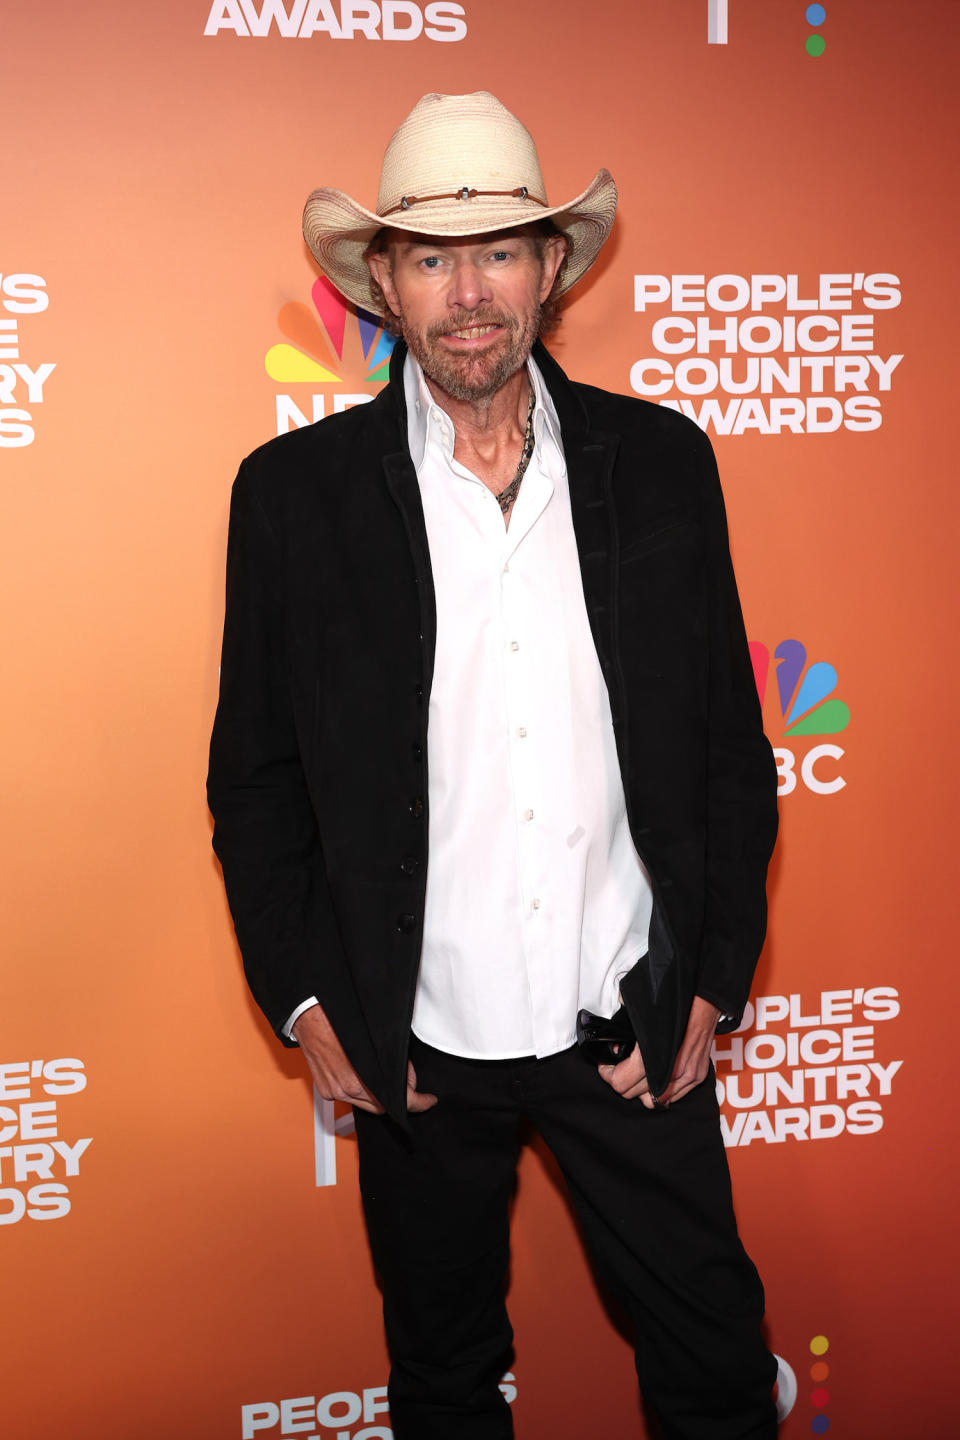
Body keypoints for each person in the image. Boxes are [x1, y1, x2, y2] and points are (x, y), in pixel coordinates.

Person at [208, 91, 779, 1439]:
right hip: (418, 1054)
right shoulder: (292, 500)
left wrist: (713, 985)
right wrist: (305, 1002)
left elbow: (724, 751)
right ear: (385, 284)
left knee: (715, 1374)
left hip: (628, 1023)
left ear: (553, 269)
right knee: (446, 1385)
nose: (470, 295)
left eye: (502, 251)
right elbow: (257, 775)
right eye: (432, 258)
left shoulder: (661, 464)